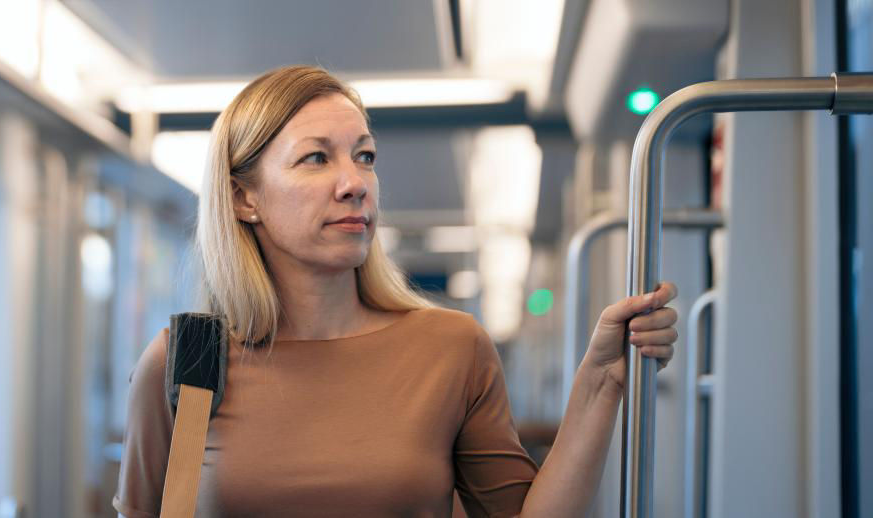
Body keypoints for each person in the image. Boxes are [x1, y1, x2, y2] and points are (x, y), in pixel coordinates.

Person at [113, 66, 679, 517]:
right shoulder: (186, 362)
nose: (354, 183)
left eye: (364, 157)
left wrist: (601, 382)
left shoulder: (450, 347)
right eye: (316, 158)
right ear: (244, 198)